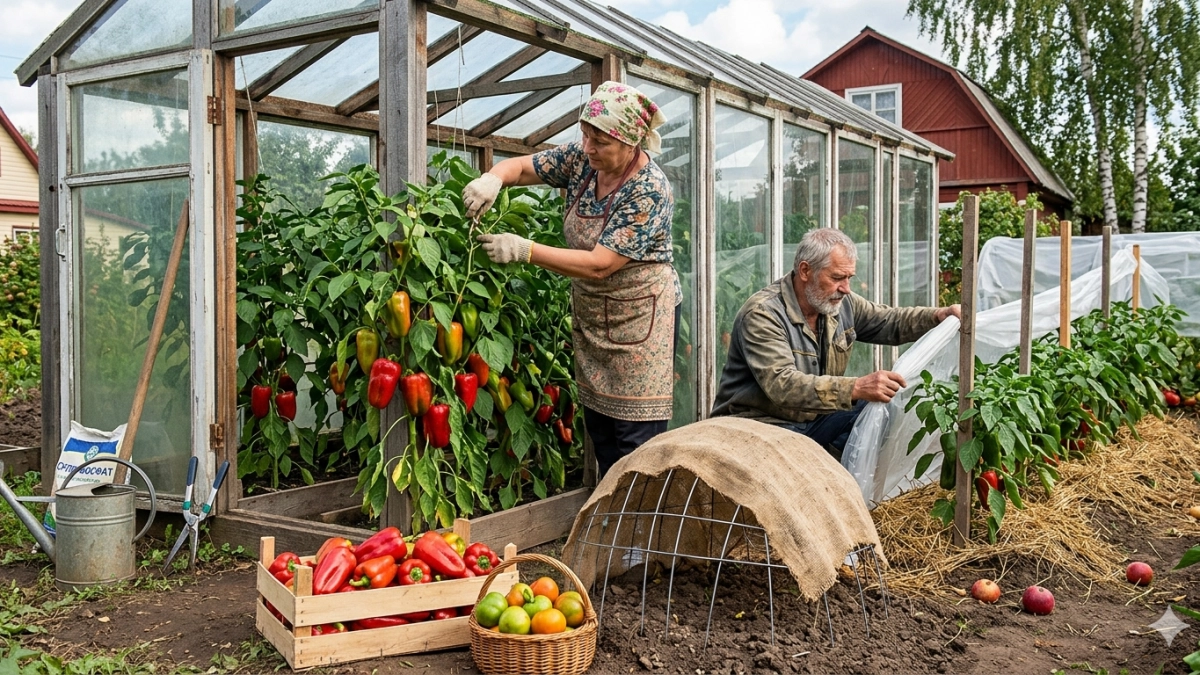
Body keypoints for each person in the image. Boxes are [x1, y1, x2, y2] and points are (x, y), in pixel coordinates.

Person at [461, 81, 679, 478]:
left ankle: (640, 536)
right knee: (600, 428)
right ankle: (613, 526)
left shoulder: (649, 190)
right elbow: (525, 166)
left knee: (636, 441)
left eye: (600, 141)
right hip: (596, 314)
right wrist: (493, 178)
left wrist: (525, 250)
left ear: (631, 142)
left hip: (642, 319)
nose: (589, 147)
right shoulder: (583, 159)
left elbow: (601, 264)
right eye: (586, 135)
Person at [711, 228, 961, 459]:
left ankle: (852, 491)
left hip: (810, 422)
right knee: (860, 405)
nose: (846, 289)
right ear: (806, 270)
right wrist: (855, 387)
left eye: (849, 277)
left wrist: (937, 316)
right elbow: (782, 385)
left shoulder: (839, 305)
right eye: (837, 277)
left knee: (880, 409)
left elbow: (888, 321)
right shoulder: (763, 314)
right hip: (760, 426)